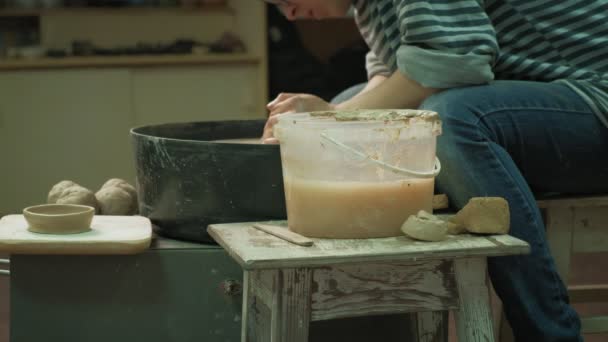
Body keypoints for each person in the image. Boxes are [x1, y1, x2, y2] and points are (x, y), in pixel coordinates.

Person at [262, 0, 608, 341]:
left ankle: (550, 332)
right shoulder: (369, 6)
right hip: (557, 100)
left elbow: (452, 61)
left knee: (450, 117)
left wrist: (331, 118)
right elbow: (393, 74)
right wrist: (330, 116)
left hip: (595, 95)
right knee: (356, 105)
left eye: (284, 0)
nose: (289, 13)